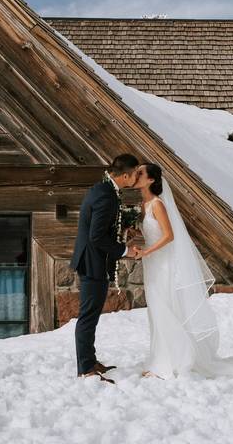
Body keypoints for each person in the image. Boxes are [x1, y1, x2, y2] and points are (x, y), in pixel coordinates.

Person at [131, 163, 233, 379]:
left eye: (141, 173)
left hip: (163, 263)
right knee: (156, 308)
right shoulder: (142, 205)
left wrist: (147, 251)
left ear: (151, 180)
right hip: (151, 262)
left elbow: (169, 236)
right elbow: (152, 234)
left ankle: (172, 361)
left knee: (166, 307)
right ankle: (159, 357)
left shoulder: (157, 204)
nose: (136, 175)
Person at [71, 153, 141, 384]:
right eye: (135, 174)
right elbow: (97, 236)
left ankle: (90, 361)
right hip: (93, 262)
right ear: (125, 175)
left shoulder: (104, 190)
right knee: (88, 317)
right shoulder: (106, 196)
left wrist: (124, 229)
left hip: (92, 260)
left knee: (90, 316)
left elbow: (103, 227)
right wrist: (124, 250)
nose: (136, 177)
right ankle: (85, 368)